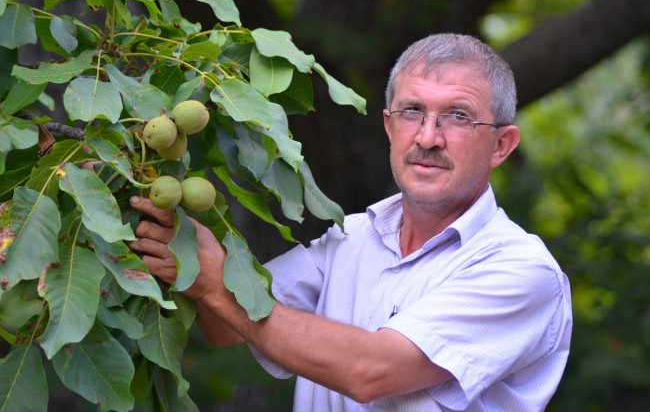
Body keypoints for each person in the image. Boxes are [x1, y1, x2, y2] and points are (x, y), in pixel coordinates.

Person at [128, 33, 573, 411]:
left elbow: (372, 370)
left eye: (458, 116)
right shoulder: (351, 236)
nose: (427, 137)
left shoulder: (522, 271)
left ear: (501, 145)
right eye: (412, 111)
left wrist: (210, 281)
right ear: (389, 125)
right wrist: (170, 232)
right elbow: (226, 324)